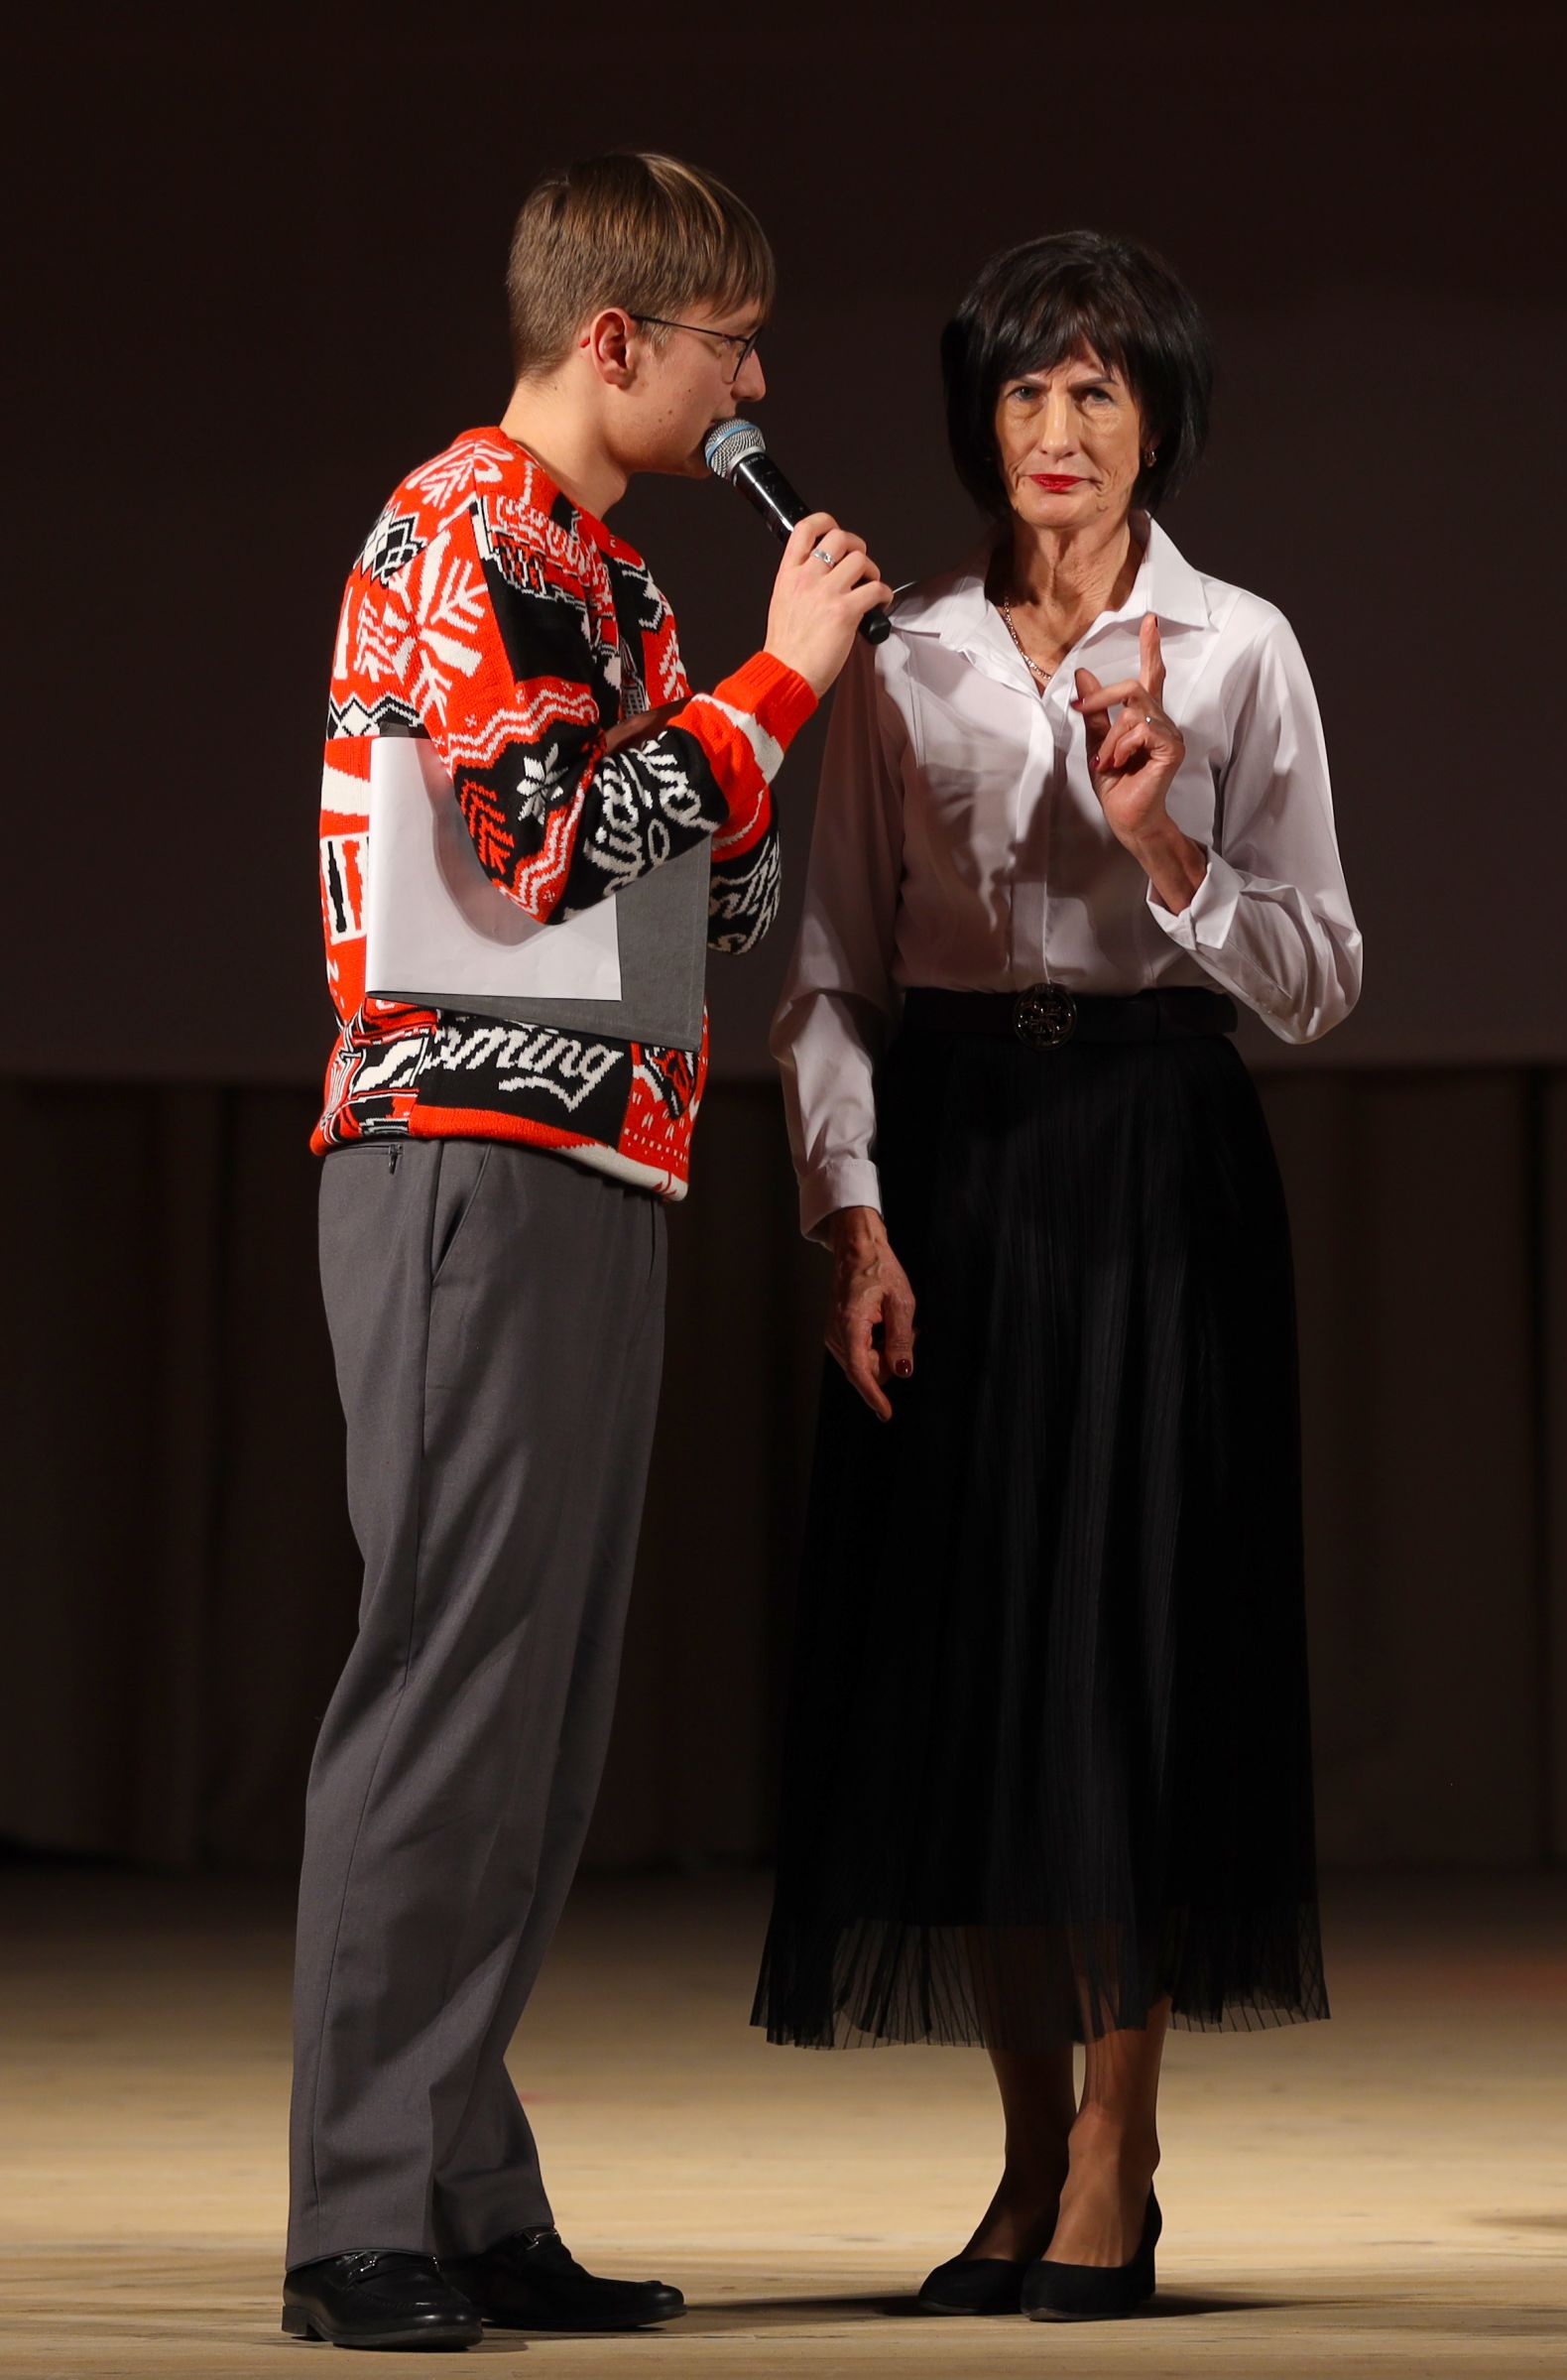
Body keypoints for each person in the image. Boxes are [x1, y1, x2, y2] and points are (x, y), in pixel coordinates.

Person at [287, 151, 889, 2352]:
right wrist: (774, 683)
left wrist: (777, 721)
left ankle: (462, 2188)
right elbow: (539, 842)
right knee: (449, 1677)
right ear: (615, 339)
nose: (756, 385)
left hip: (600, 1155)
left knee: (536, 1718)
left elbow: (692, 901)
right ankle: (356, 2218)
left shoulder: (610, 576)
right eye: (734, 346)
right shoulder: (465, 526)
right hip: (463, 1148)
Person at [753, 229, 1361, 2322]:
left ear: (1157, 421)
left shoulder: (1241, 650)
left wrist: (1165, 841)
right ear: (979, 421)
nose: (1059, 427)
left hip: (1152, 1149)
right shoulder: (902, 656)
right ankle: (1023, 2157)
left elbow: (1319, 975)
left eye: (1098, 388)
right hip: (951, 1157)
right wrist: (852, 1215)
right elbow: (828, 973)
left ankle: (1118, 2153)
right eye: (1024, 388)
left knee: (1125, 1658)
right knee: (976, 1660)